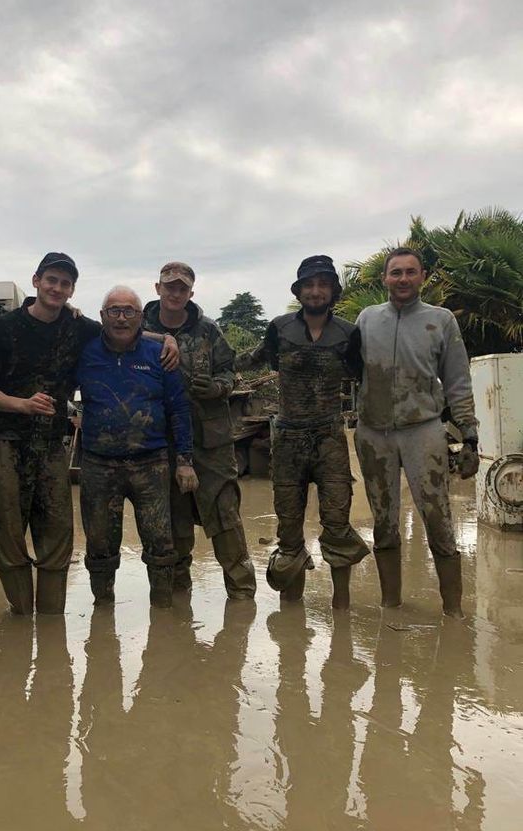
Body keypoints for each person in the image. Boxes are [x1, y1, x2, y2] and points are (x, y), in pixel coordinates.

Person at [0, 255, 178, 616]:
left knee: (57, 538)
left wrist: (167, 338)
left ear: (72, 290)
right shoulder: (2, 329)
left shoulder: (78, 328)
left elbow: (123, 331)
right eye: (51, 280)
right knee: (8, 536)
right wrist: (20, 405)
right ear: (36, 281)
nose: (57, 288)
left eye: (65, 283)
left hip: (52, 447)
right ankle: (21, 621)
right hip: (5, 444)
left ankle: (51, 629)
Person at [238, 255, 369, 609]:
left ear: (333, 291)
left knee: (338, 521)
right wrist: (213, 366)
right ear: (298, 291)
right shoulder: (279, 328)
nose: (315, 291)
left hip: (329, 438)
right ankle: (290, 614)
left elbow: (365, 377)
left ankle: (341, 607)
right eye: (309, 284)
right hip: (288, 439)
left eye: (323, 284)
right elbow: (254, 359)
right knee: (289, 527)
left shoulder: (348, 332)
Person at [354, 247, 478, 618]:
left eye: (410, 272)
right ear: (385, 279)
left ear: (423, 276)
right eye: (396, 273)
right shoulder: (366, 319)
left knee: (437, 517)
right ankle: (391, 603)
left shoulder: (440, 321)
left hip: (423, 429)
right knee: (383, 522)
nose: (403, 279)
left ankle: (452, 611)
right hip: (373, 432)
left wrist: (469, 436)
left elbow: (457, 380)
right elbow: (344, 369)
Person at [77, 286, 197, 608]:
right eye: (113, 310)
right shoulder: (84, 352)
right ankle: (102, 615)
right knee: (100, 546)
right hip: (98, 465)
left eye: (129, 311)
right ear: (102, 316)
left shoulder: (159, 353)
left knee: (161, 544)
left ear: (141, 318)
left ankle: (163, 615)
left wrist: (184, 460)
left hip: (151, 463)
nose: (121, 317)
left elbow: (179, 409)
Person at [142, 261, 256, 599]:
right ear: (157, 288)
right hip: (162, 441)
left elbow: (229, 372)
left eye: (182, 288)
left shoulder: (209, 331)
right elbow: (110, 335)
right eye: (169, 286)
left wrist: (217, 389)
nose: (175, 292)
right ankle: (178, 609)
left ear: (191, 292)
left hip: (211, 439)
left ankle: (242, 596)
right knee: (172, 522)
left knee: (224, 514)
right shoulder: (138, 326)